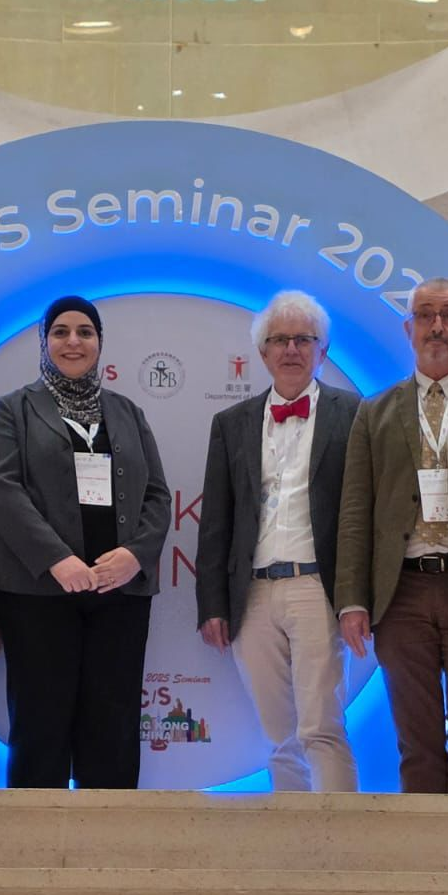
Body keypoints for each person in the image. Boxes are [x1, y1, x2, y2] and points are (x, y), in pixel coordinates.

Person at [335, 278, 448, 794]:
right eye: (425, 315)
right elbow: (356, 510)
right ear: (408, 328)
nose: (437, 326)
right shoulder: (375, 412)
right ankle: (423, 844)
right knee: (416, 741)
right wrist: (352, 599)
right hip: (401, 592)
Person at [0, 296, 170, 789]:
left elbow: (156, 494)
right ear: (43, 341)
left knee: (113, 724)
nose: (73, 341)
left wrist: (135, 556)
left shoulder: (128, 412)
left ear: (99, 343)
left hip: (119, 593)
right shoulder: (13, 409)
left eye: (85, 332)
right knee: (40, 721)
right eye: (60, 331)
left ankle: (107, 832)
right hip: (38, 594)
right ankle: (35, 833)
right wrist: (57, 559)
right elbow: (2, 489)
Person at [195, 291, 362, 792]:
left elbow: (363, 514)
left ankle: (341, 834)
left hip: (318, 588)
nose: (291, 349)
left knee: (321, 726)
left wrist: (357, 596)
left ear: (323, 350)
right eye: (280, 340)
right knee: (277, 735)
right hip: (252, 595)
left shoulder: (355, 414)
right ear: (262, 352)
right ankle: (292, 833)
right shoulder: (231, 423)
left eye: (303, 339)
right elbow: (216, 520)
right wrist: (212, 604)